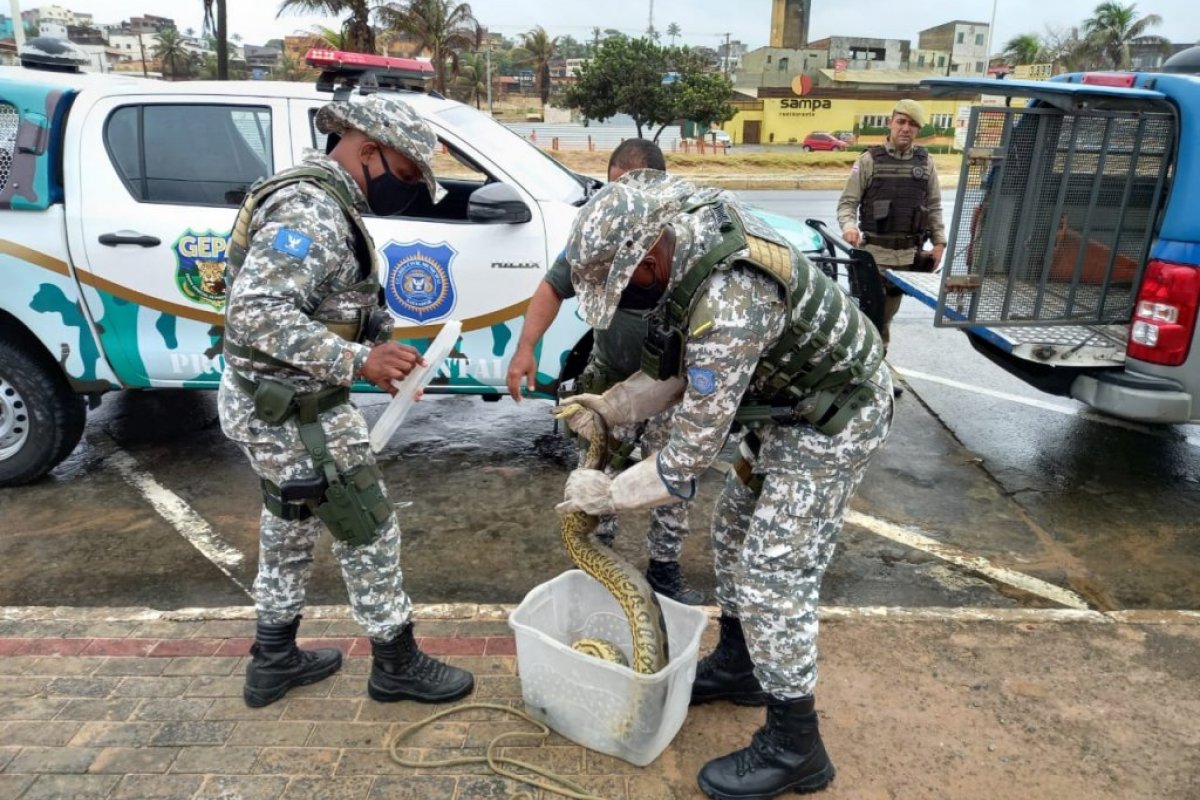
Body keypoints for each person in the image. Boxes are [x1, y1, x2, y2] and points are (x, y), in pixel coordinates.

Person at [556, 171, 893, 799]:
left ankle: (797, 745)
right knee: (733, 531)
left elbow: (682, 462)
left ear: (649, 257)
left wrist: (607, 494)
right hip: (786, 409)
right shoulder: (681, 249)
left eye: (624, 284)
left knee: (774, 572)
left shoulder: (731, 301)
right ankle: (741, 665)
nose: (624, 297)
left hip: (834, 418)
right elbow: (676, 375)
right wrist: (608, 407)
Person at [218, 94, 473, 709]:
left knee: (290, 525)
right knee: (368, 526)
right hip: (293, 413)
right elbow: (255, 313)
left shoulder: (325, 202)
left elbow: (333, 304)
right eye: (407, 174)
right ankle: (396, 664)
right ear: (367, 150)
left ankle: (273, 661)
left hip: (278, 403)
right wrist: (360, 361)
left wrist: (383, 347)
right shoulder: (310, 209)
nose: (408, 189)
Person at [506, 140, 704, 605]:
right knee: (594, 470)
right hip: (610, 380)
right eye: (613, 191)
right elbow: (554, 286)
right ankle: (597, 555)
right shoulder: (601, 228)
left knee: (673, 479)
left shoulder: (687, 236)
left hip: (673, 388)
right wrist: (526, 348)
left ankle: (664, 568)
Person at [837, 98, 947, 351]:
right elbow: (847, 203)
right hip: (874, 257)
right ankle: (866, 366)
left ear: (918, 130)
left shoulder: (925, 162)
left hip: (907, 258)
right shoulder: (869, 160)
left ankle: (876, 366)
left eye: (912, 124)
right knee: (869, 317)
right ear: (890, 123)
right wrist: (849, 227)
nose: (905, 128)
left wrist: (939, 243)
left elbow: (934, 206)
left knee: (885, 319)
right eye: (901, 122)